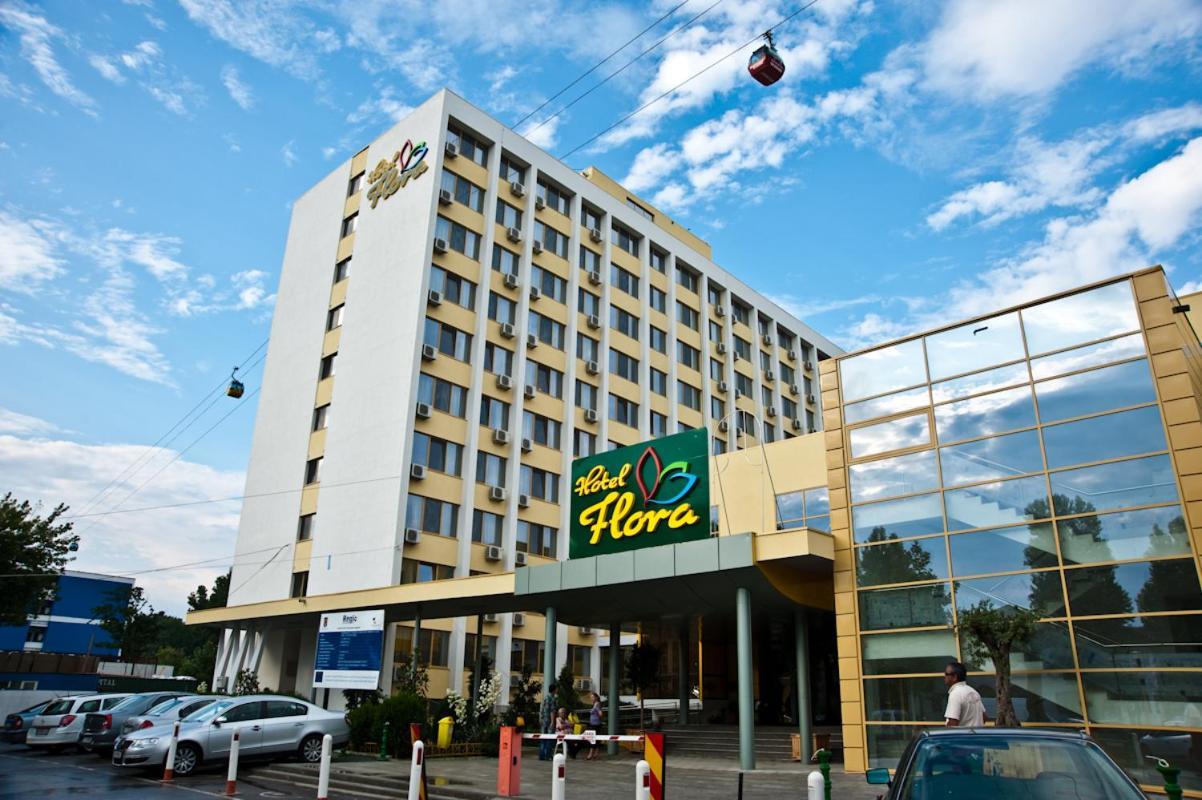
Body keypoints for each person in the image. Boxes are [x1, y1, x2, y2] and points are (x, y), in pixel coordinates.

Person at [944, 661, 986, 727]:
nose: (944, 677)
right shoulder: (973, 691)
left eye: (946, 674)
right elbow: (984, 717)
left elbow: (952, 723)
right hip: (976, 735)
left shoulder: (955, 694)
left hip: (962, 736)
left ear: (955, 677)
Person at [539, 683, 558, 760]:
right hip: (549, 720)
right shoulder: (552, 698)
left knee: (543, 738)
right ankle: (548, 755)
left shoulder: (545, 697)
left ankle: (542, 755)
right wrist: (553, 722)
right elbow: (552, 711)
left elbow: (541, 709)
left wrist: (540, 718)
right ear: (554, 690)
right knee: (550, 738)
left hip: (543, 720)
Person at [586, 692, 603, 760]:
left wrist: (599, 715)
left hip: (595, 724)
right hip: (594, 724)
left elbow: (600, 713)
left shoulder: (597, 704)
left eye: (593, 697)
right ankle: (595, 753)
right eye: (591, 697)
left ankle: (591, 754)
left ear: (596, 697)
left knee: (592, 739)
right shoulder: (595, 704)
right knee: (595, 739)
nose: (591, 699)